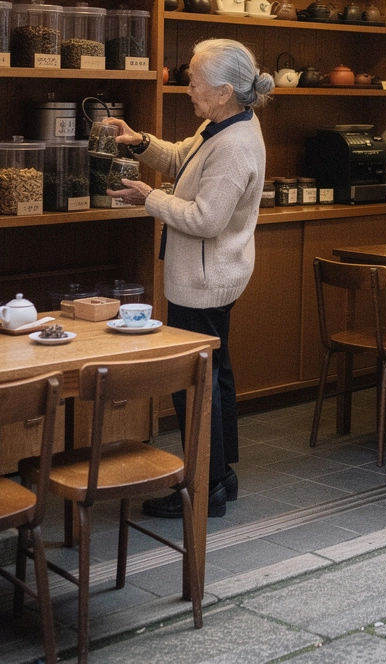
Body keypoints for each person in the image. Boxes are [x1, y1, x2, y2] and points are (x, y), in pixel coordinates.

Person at [104, 38, 275, 517]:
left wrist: (149, 200)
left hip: (204, 282)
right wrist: (141, 141)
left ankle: (206, 487)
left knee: (193, 384)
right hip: (212, 275)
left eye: (194, 82)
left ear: (223, 91)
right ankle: (223, 474)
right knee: (215, 375)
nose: (187, 89)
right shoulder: (224, 122)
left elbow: (206, 219)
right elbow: (183, 159)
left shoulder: (237, 145)